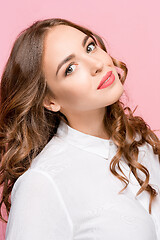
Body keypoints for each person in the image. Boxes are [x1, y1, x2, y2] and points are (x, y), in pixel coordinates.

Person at [0, 18, 159, 240]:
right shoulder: (41, 184)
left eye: (90, 47)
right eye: (70, 68)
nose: (97, 65)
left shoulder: (142, 140)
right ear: (50, 100)